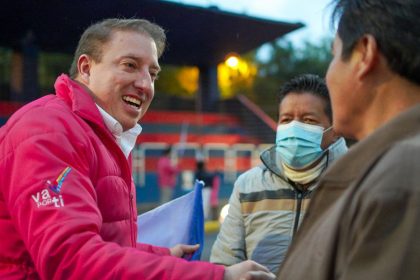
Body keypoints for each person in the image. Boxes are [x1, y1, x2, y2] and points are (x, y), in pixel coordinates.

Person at [0, 18, 275, 279]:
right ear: (85, 68)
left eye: (152, 73)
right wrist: (216, 276)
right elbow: (72, 261)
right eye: (130, 65)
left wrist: (164, 254)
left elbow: (108, 240)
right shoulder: (47, 130)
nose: (146, 85)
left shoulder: (105, 136)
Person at [277, 1, 420, 279]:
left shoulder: (403, 172)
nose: (329, 75)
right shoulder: (388, 165)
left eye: (334, 55)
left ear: (365, 54)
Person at [211, 74, 348, 273]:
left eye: (308, 120)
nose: (294, 128)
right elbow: (223, 265)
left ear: (334, 129)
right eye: (286, 119)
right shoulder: (248, 186)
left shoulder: (356, 183)